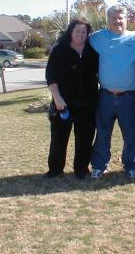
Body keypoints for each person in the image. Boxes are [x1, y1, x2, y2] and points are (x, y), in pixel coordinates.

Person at [89, 5, 135, 180]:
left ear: (126, 19)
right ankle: (99, 166)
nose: (117, 21)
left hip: (128, 97)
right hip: (105, 96)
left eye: (120, 18)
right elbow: (76, 41)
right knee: (103, 133)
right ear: (108, 20)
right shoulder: (97, 38)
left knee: (131, 134)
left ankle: (131, 166)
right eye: (113, 18)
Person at [45, 17, 99, 179]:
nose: (81, 34)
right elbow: (50, 76)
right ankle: (55, 169)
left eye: (84, 31)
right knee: (59, 138)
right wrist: (57, 98)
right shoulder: (59, 49)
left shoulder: (93, 50)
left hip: (88, 103)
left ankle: (81, 169)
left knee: (85, 139)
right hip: (63, 103)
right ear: (70, 31)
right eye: (77, 31)